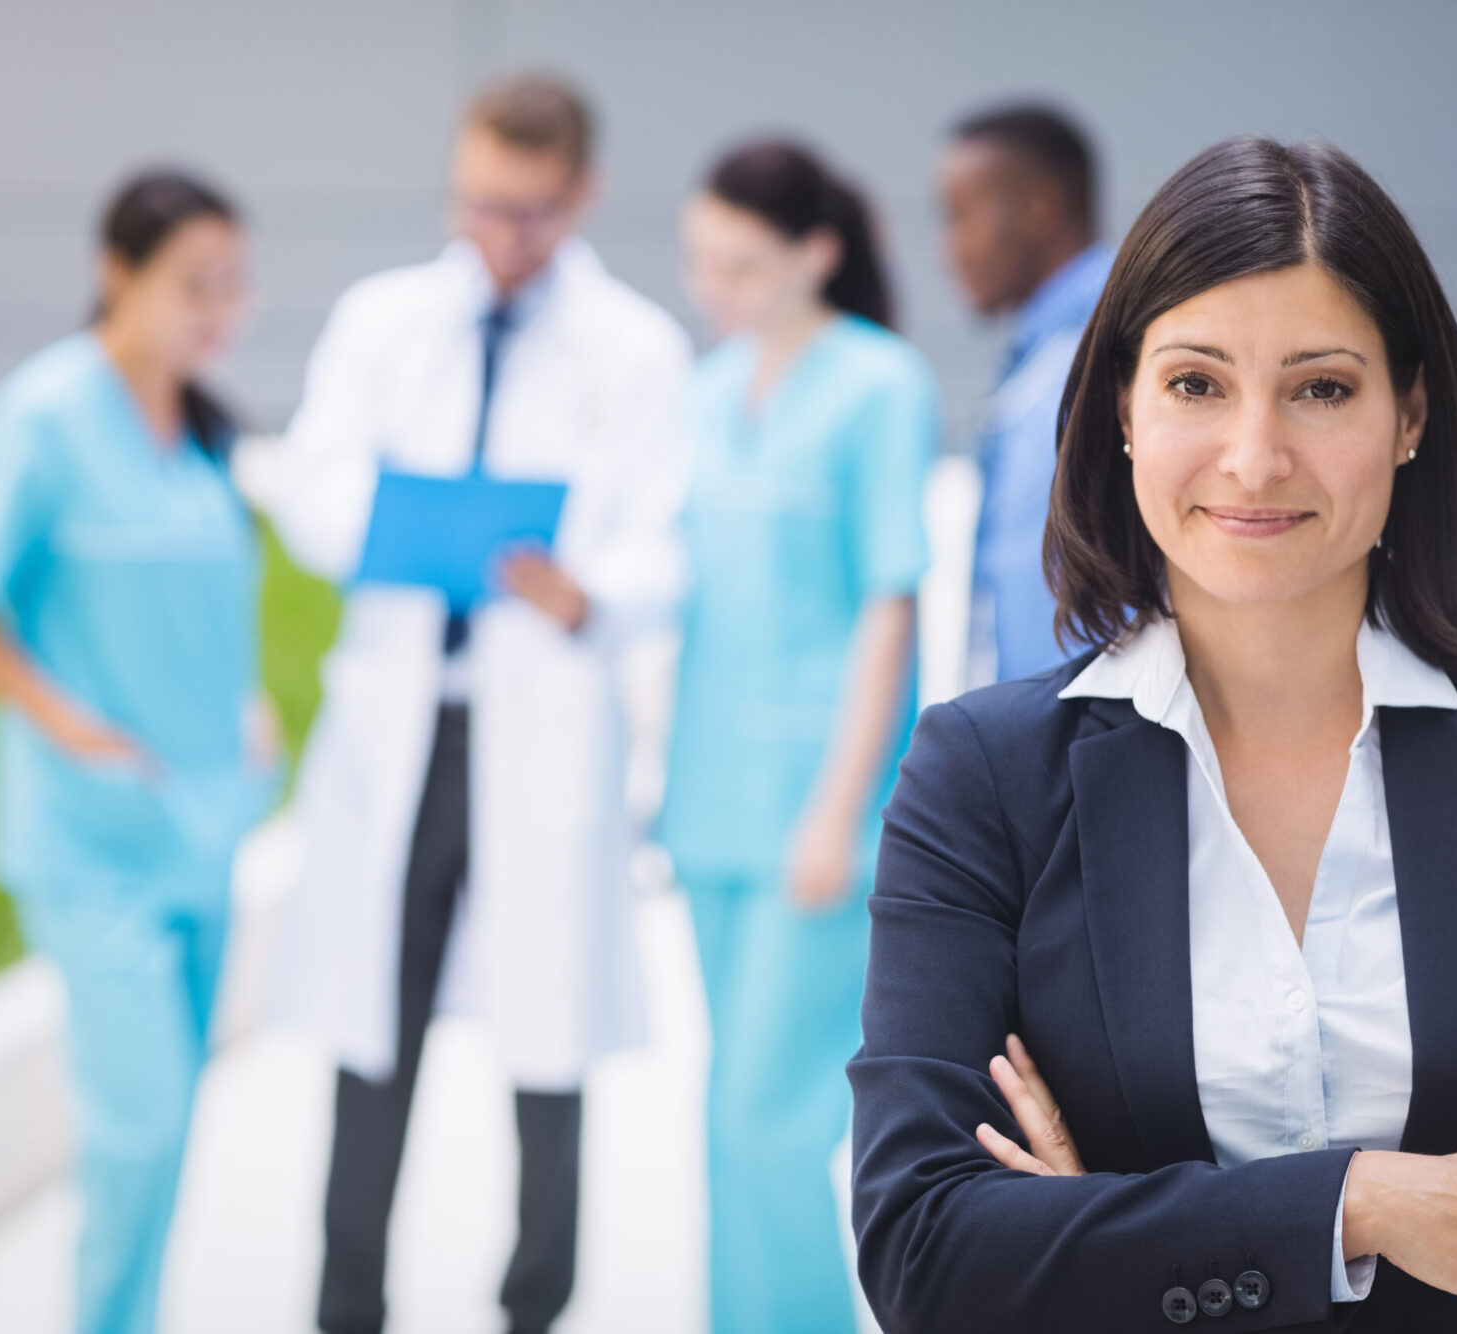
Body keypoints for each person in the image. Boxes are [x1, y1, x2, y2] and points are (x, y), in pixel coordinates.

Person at [850, 136, 1457, 1334]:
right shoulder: (982, 774)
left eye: (1320, 388)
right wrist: (1363, 1204)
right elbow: (924, 1251)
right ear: (1122, 407)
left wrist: (1102, 1243)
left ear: (1408, 412)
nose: (1254, 457)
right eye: (1194, 384)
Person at [267, 73, 692, 1334]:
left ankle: (533, 1302)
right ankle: (347, 1305)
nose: (498, 234)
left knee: (546, 1034)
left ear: (581, 195)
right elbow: (310, 481)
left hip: (543, 722)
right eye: (478, 204)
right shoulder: (382, 317)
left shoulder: (636, 349)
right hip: (401, 722)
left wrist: (586, 593)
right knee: (373, 1031)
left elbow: (665, 545)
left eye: (528, 211)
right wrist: (384, 523)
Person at [0, 169, 276, 1334]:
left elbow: (195, 609)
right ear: (116, 272)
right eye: (194, 283)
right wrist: (68, 724)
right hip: (93, 835)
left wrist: (246, 706)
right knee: (141, 1118)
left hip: (203, 824)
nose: (219, 309)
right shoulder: (45, 415)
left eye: (234, 283)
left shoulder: (202, 432)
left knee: (172, 1122)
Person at [662, 139, 938, 1334]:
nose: (711, 289)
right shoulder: (704, 390)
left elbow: (888, 602)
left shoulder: (878, 385)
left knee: (765, 1118)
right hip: (706, 802)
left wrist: (840, 807)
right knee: (723, 1110)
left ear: (816, 252)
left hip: (819, 808)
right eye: (699, 261)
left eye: (740, 264)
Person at [938, 103, 1113, 685]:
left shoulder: (1121, 341)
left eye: (961, 216)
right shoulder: (1042, 350)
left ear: (1039, 208)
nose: (949, 248)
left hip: (1090, 716)